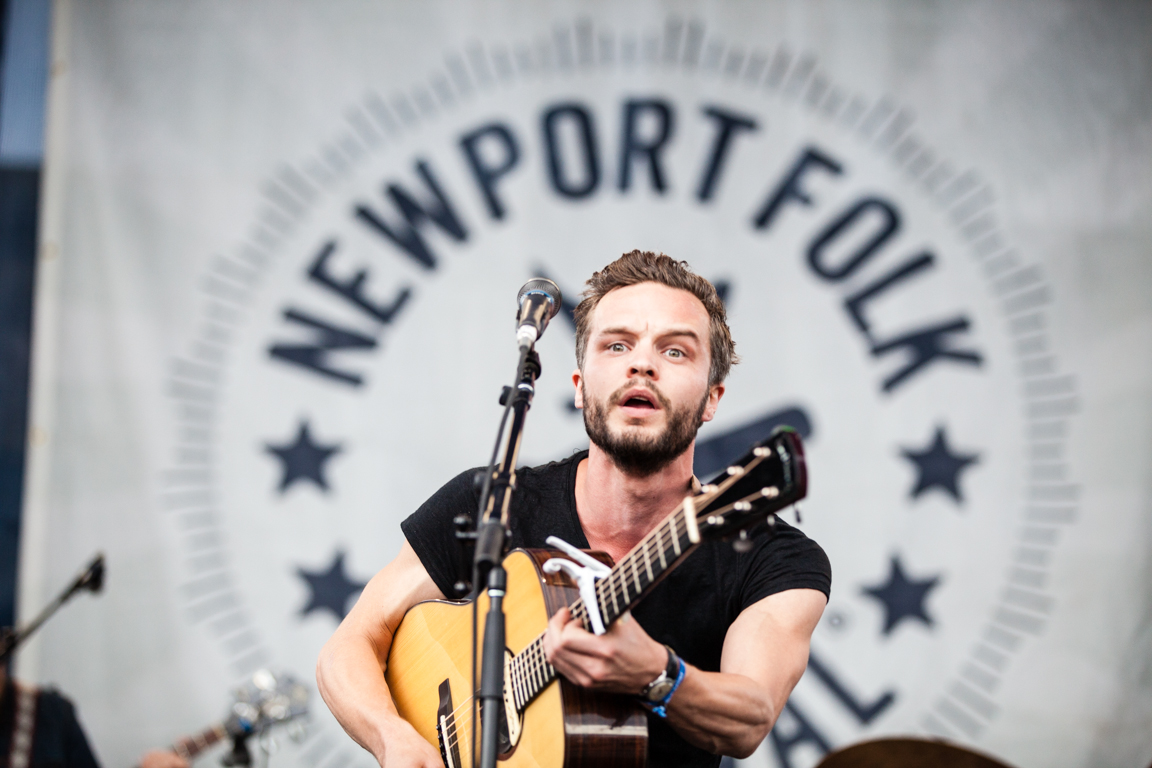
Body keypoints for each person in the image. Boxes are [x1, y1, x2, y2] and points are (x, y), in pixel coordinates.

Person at [317, 250, 831, 768]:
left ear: (711, 400)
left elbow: (750, 716)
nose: (642, 363)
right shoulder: (492, 504)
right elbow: (351, 643)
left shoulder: (775, 557)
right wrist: (393, 738)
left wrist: (656, 673)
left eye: (675, 352)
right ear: (581, 389)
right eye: (616, 345)